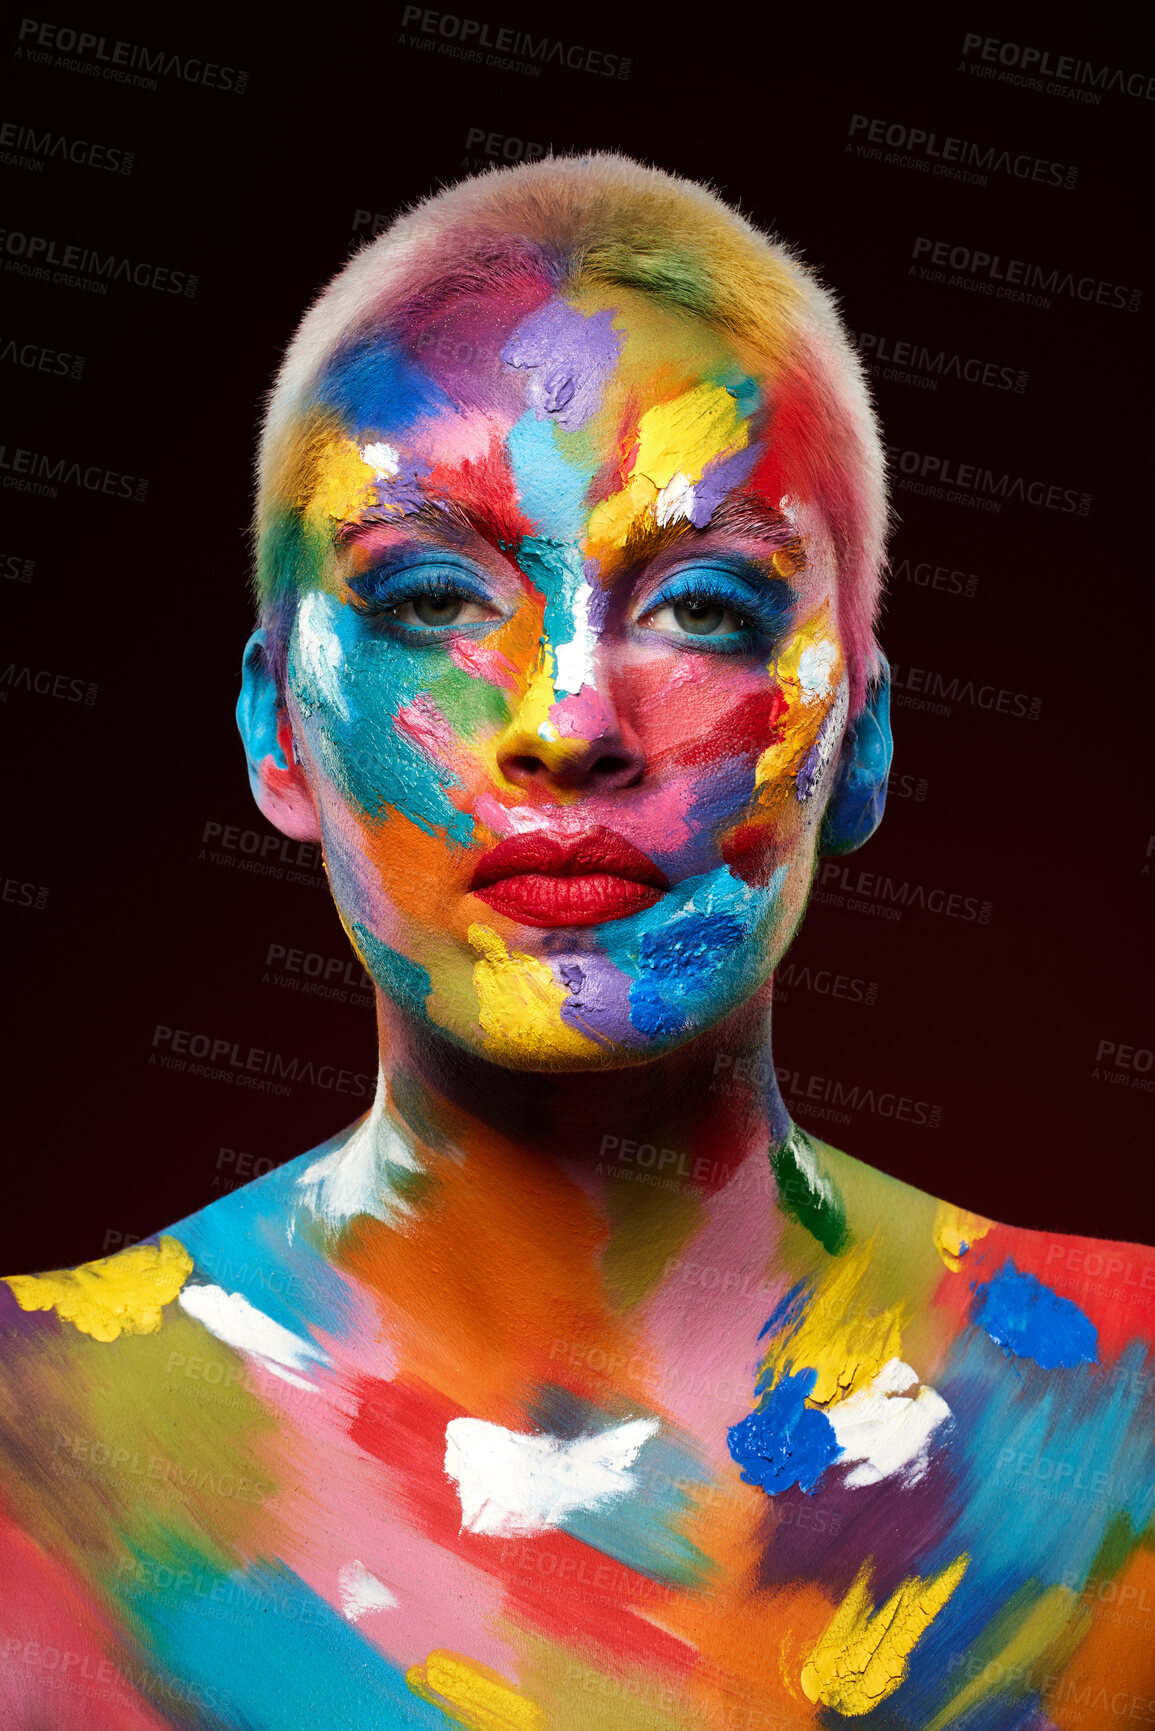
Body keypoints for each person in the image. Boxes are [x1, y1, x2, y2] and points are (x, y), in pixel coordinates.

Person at [2, 154, 1152, 1731]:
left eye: (702, 610)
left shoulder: (1122, 1434)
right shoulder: (33, 1462)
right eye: (427, 597)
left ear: (863, 737)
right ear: (277, 726)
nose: (567, 722)